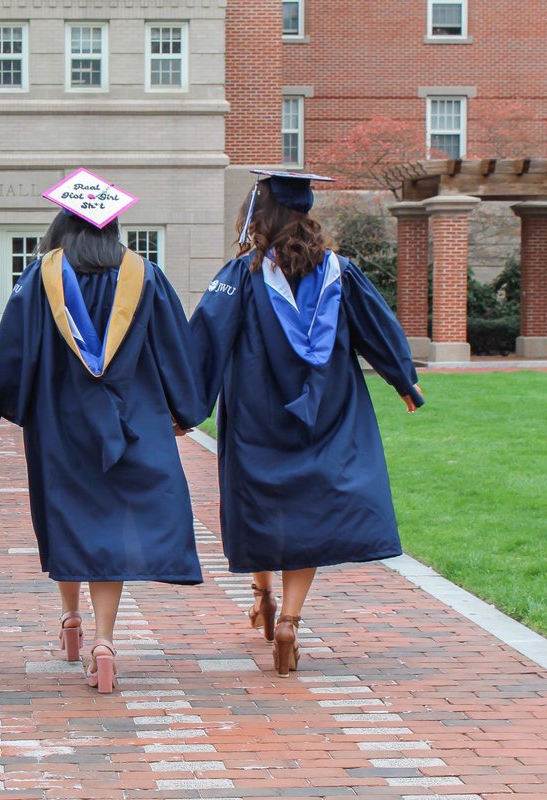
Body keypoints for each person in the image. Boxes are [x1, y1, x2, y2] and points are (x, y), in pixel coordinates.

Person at [189, 170, 423, 677]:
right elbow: (378, 329)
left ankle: (263, 595)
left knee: (261, 503)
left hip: (256, 412)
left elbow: (204, 340)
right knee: (308, 510)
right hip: (327, 410)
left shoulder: (238, 276)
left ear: (260, 216)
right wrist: (403, 381)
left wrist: (185, 409)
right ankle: (290, 620)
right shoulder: (340, 270)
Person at [0, 169, 204, 694]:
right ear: (114, 230)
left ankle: (70, 620)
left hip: (60, 423)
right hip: (134, 421)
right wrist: (183, 411)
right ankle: (104, 640)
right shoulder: (145, 276)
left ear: (62, 227)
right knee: (112, 527)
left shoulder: (40, 277)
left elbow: (11, 350)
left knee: (70, 517)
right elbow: (176, 349)